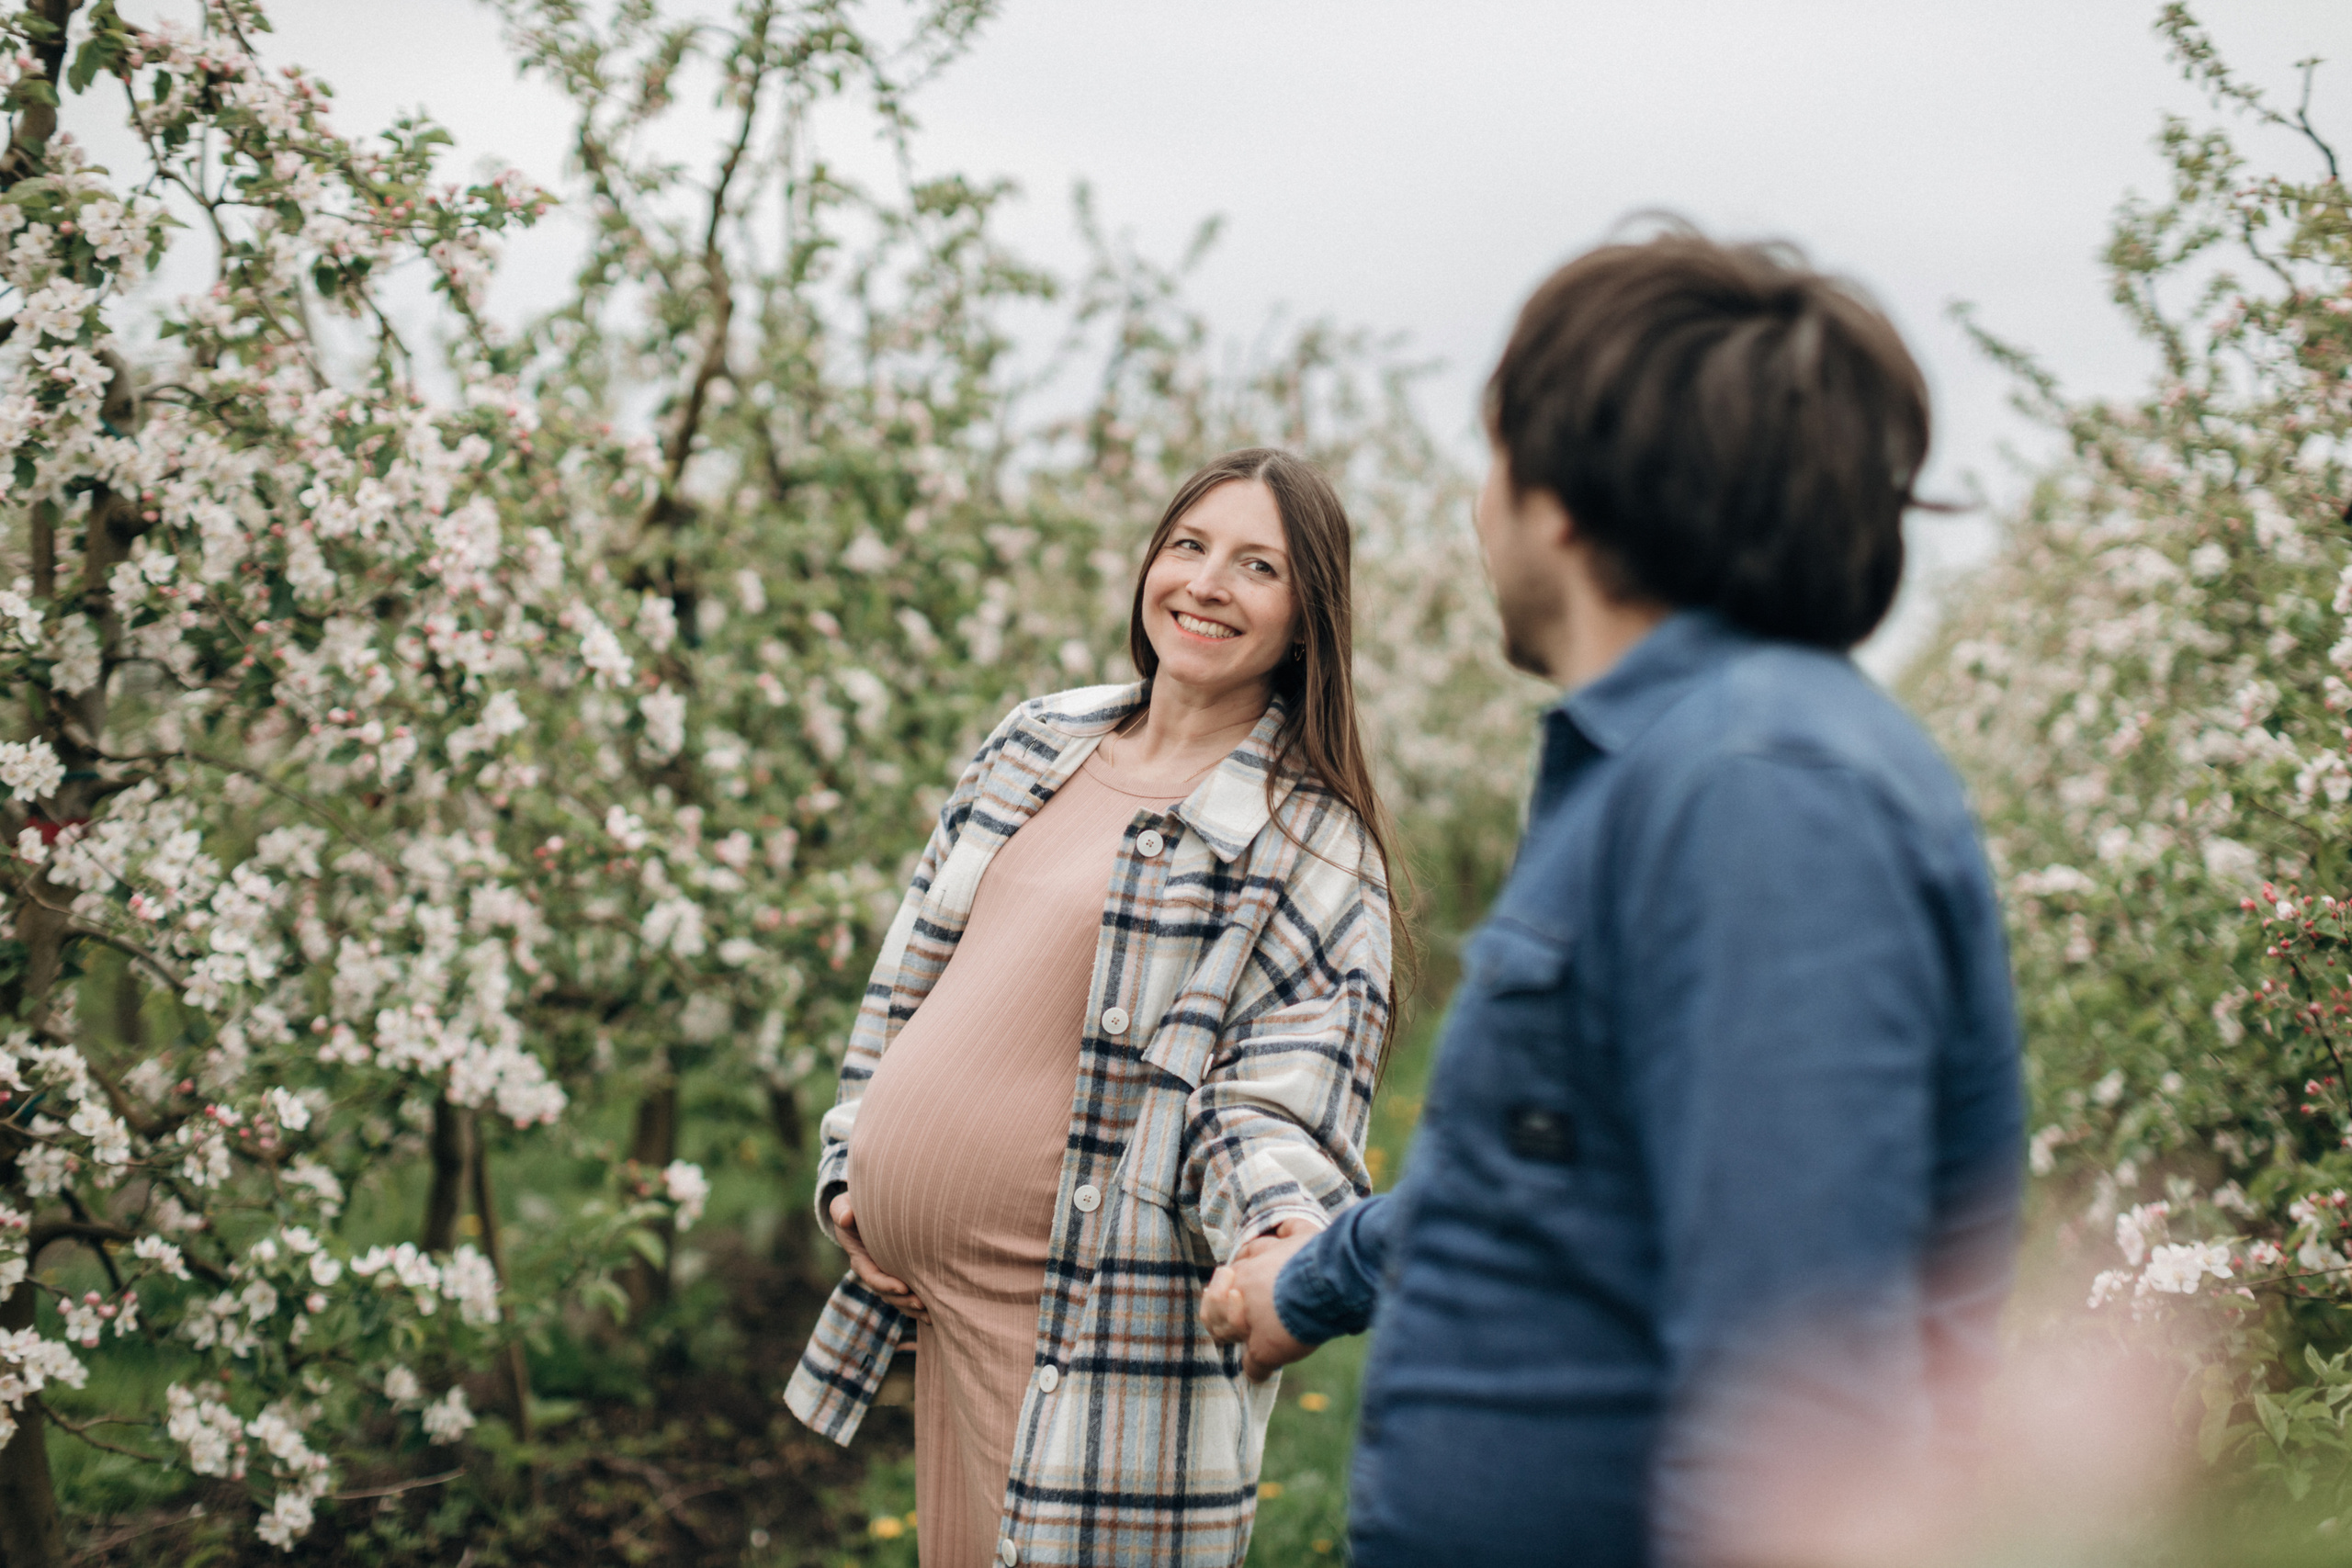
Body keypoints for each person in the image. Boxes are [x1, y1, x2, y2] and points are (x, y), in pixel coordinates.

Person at [1204, 231, 2025, 1567]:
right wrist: (1319, 1273)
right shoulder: (1687, 766)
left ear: (1565, 496)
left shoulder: (1761, 794)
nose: (1477, 508)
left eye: (1494, 456)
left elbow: (1802, 1391)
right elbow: (1579, 1166)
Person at [786, 448, 1396, 1568]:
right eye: (1189, 547)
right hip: (936, 1300)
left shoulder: (1309, 844)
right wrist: (850, 1171)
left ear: (1308, 619)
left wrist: (1277, 1234)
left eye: (1257, 566)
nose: (1208, 584)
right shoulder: (1040, 741)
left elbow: (1276, 1100)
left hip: (1082, 1325)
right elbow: (906, 979)